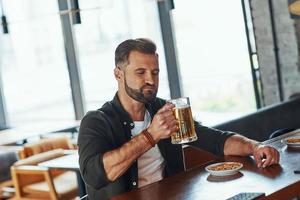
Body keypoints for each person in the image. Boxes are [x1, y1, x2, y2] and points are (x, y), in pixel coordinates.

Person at [78, 38, 280, 200]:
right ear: (118, 74)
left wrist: (255, 147)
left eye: (155, 72)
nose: (151, 80)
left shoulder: (163, 109)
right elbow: (96, 176)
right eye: (140, 72)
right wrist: (151, 135)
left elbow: (216, 141)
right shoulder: (96, 121)